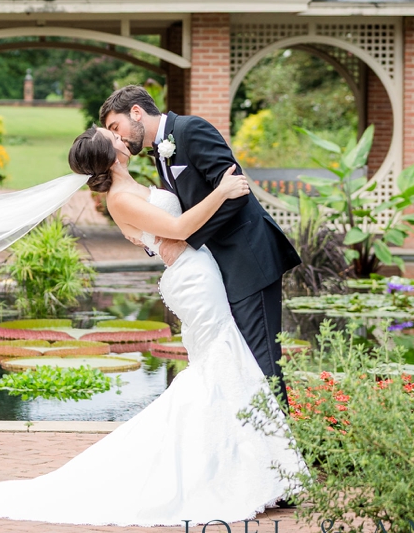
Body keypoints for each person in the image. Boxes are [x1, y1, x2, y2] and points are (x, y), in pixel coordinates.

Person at [0, 126, 303, 527]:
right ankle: (241, 468)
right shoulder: (121, 198)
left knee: (224, 361)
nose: (116, 134)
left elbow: (161, 225)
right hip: (192, 279)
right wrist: (221, 191)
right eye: (108, 134)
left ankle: (243, 462)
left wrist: (152, 235)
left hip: (200, 270)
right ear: (109, 155)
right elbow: (177, 230)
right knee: (221, 360)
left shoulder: (134, 185)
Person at [100, 86, 301, 403]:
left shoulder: (190, 129)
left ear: (135, 112)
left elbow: (236, 192)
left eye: (116, 127)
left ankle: (281, 448)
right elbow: (180, 210)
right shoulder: (161, 154)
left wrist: (186, 240)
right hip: (219, 267)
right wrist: (157, 239)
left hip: (249, 258)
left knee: (261, 358)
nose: (119, 138)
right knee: (240, 358)